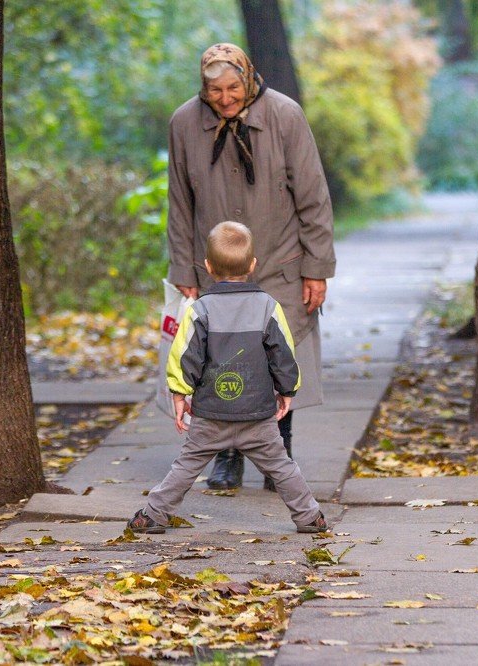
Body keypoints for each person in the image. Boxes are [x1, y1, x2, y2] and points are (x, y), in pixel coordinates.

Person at [166, 43, 335, 491]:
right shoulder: (185, 123)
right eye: (215, 89)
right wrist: (184, 270)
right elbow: (180, 203)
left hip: (281, 263)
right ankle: (226, 455)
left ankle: (280, 453)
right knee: (218, 360)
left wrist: (317, 267)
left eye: (233, 87)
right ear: (203, 88)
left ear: (248, 77)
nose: (225, 98)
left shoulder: (285, 115)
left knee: (279, 354)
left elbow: (313, 196)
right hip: (216, 269)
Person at [128, 222, 328, 534]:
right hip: (258, 416)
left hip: (211, 416)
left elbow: (184, 357)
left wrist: (179, 395)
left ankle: (153, 515)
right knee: (281, 466)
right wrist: (288, 390)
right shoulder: (268, 307)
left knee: (186, 466)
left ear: (207, 266)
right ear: (252, 265)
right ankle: (310, 516)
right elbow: (284, 353)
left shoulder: (199, 310)